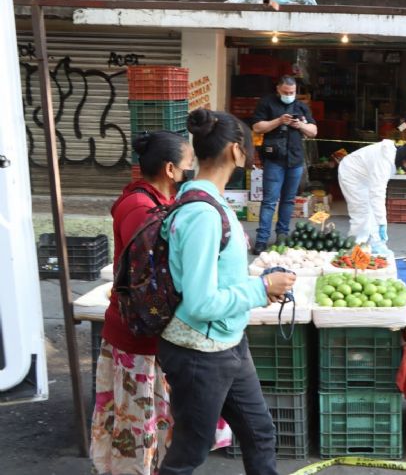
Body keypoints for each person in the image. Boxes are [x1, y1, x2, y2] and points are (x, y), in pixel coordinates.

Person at [157, 109, 296, 475]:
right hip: (200, 351)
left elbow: (216, 275)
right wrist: (261, 288)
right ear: (237, 151)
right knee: (190, 451)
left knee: (259, 432)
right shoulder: (202, 213)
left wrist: (257, 282)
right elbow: (202, 302)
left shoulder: (211, 203)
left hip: (228, 341)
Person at [90, 131, 199, 475]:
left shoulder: (155, 202)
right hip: (136, 338)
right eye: (188, 164)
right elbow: (151, 278)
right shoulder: (140, 207)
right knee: (136, 429)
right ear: (170, 169)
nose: (191, 169)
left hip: (148, 335)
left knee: (147, 423)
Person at [251, 75, 318, 255]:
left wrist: (300, 126)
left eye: (293, 92)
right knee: (269, 201)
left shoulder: (301, 107)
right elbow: (257, 127)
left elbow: (313, 131)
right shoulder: (267, 103)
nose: (289, 95)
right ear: (278, 89)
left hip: (295, 160)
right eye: (286, 92)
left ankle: (282, 235)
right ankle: (262, 239)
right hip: (274, 160)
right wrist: (279, 121)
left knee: (288, 200)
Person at [337, 140, 406, 254]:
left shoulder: (393, 155)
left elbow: (376, 196)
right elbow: (378, 195)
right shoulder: (384, 163)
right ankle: (355, 247)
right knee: (361, 212)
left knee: (370, 210)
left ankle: (374, 243)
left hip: (363, 176)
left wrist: (380, 222)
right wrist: (382, 223)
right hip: (351, 174)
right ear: (405, 160)